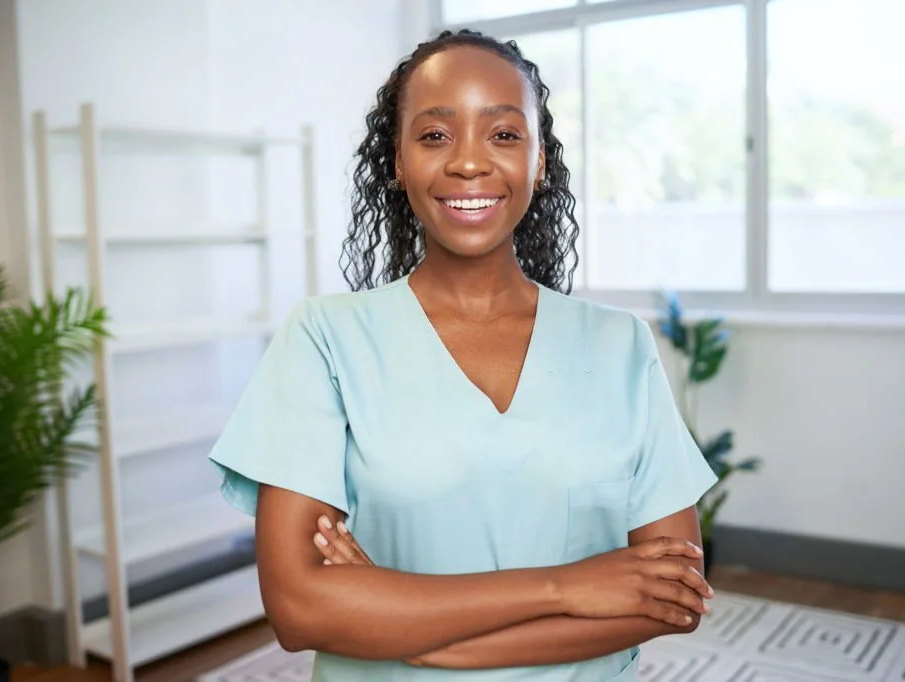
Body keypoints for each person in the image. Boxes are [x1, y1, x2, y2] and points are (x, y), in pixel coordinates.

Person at [208, 28, 719, 681]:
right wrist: (569, 586)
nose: (469, 163)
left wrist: (424, 638)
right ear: (397, 160)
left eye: (503, 134)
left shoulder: (619, 346)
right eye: (434, 135)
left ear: (539, 160)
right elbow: (301, 609)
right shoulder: (324, 339)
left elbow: (673, 597)